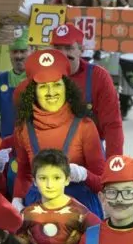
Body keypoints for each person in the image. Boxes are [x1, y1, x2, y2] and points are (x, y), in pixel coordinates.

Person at [12, 49, 105, 218]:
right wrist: (17, 199)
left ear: (66, 87)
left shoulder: (85, 126)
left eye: (57, 84)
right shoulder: (23, 128)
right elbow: (24, 173)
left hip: (80, 211)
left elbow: (102, 183)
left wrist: (82, 174)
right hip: (38, 210)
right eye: (43, 87)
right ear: (33, 91)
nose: (51, 92)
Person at [48, 24, 124, 156]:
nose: (63, 54)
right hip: (49, 152)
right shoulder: (41, 76)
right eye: (57, 48)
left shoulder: (98, 77)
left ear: (81, 50)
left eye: (69, 48)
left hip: (89, 154)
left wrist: (113, 167)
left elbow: (112, 125)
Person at [0, 36, 29, 138]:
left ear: (32, 50)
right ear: (9, 54)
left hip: (32, 147)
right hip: (6, 146)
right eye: (14, 52)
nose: (18, 56)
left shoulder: (38, 80)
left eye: (23, 51)